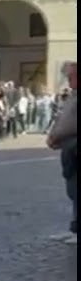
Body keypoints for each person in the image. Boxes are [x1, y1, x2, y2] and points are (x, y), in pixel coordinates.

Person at [47, 61, 78, 242]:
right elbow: (62, 119)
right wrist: (55, 135)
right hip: (69, 146)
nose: (68, 80)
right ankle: (74, 228)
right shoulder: (72, 96)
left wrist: (57, 135)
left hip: (75, 146)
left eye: (71, 76)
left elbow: (71, 124)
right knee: (72, 189)